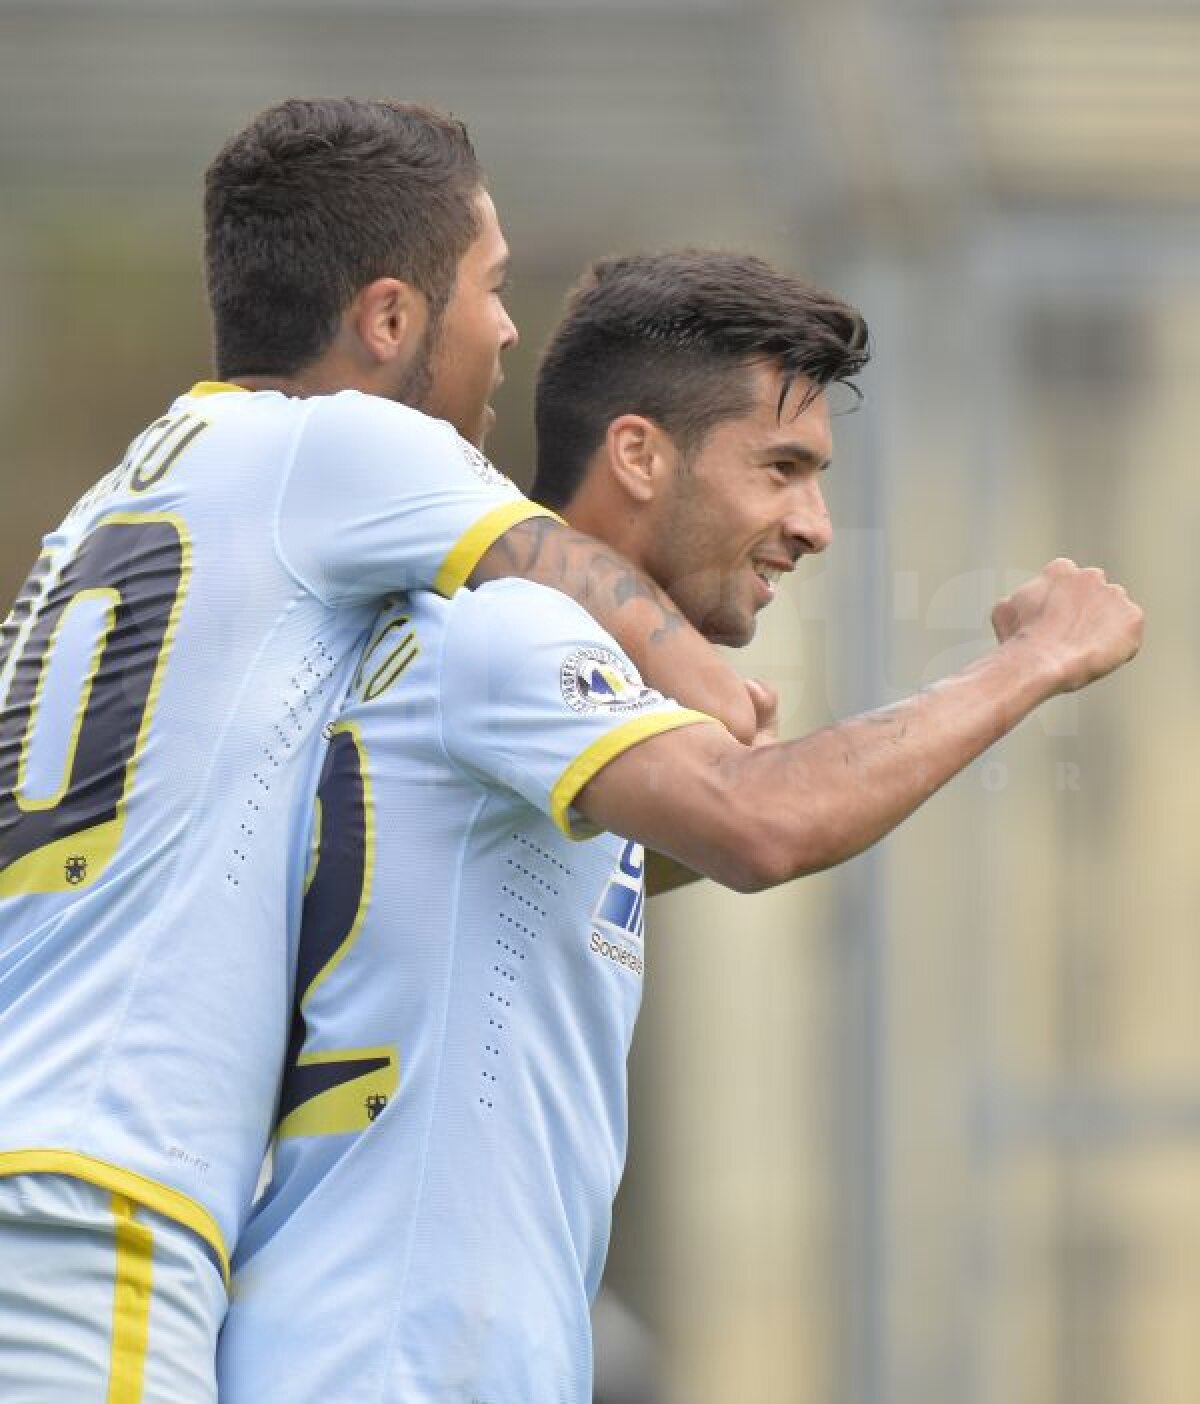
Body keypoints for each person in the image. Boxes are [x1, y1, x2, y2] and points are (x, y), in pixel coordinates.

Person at [215, 250, 1144, 1404]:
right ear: (640, 455)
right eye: (783, 469)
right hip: (380, 1363)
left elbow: (697, 838)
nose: (814, 525)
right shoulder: (515, 633)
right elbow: (762, 825)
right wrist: (1035, 659)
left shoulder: (528, 688)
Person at [0, 102, 758, 1404]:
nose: (510, 330)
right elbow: (638, 635)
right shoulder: (343, 448)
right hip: (90, 1199)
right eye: (495, 288)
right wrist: (712, 719)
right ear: (391, 319)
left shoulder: (125, 495)